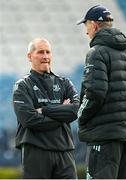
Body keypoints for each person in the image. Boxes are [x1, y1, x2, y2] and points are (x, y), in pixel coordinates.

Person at [77, 5, 126, 179]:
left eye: (87, 26)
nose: (86, 32)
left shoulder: (96, 53)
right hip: (125, 134)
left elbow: (94, 93)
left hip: (103, 135)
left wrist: (81, 116)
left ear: (95, 25)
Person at [12, 38, 79, 179]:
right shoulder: (22, 86)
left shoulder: (65, 83)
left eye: (48, 52)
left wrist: (44, 110)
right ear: (30, 57)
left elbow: (74, 111)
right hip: (36, 150)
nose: (45, 56)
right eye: (40, 52)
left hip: (64, 150)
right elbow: (29, 119)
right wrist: (62, 112)